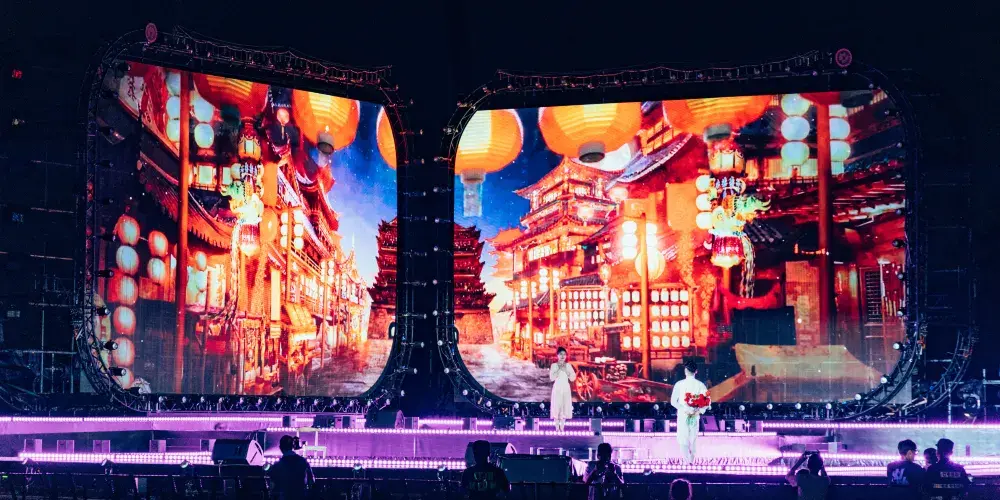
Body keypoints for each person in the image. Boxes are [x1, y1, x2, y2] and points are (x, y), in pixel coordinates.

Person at [670, 359, 709, 464]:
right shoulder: (701, 385)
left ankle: (687, 463)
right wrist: (698, 411)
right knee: (693, 439)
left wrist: (684, 408)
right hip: (694, 415)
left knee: (683, 439)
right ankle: (691, 462)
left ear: (685, 371)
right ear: (696, 371)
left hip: (683, 415)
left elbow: (673, 402)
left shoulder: (679, 384)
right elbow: (706, 402)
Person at [268, 435, 315, 500]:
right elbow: (312, 481)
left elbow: (272, 486)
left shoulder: (277, 465)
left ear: (280, 448)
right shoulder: (303, 461)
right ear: (294, 446)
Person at [549, 347, 576, 432]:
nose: (562, 356)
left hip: (565, 388)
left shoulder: (568, 365)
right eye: (561, 354)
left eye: (564, 354)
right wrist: (559, 369)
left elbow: (573, 378)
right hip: (557, 388)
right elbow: (551, 378)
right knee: (557, 407)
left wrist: (566, 371)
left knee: (564, 407)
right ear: (557, 355)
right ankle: (557, 428)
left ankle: (562, 427)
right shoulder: (554, 365)